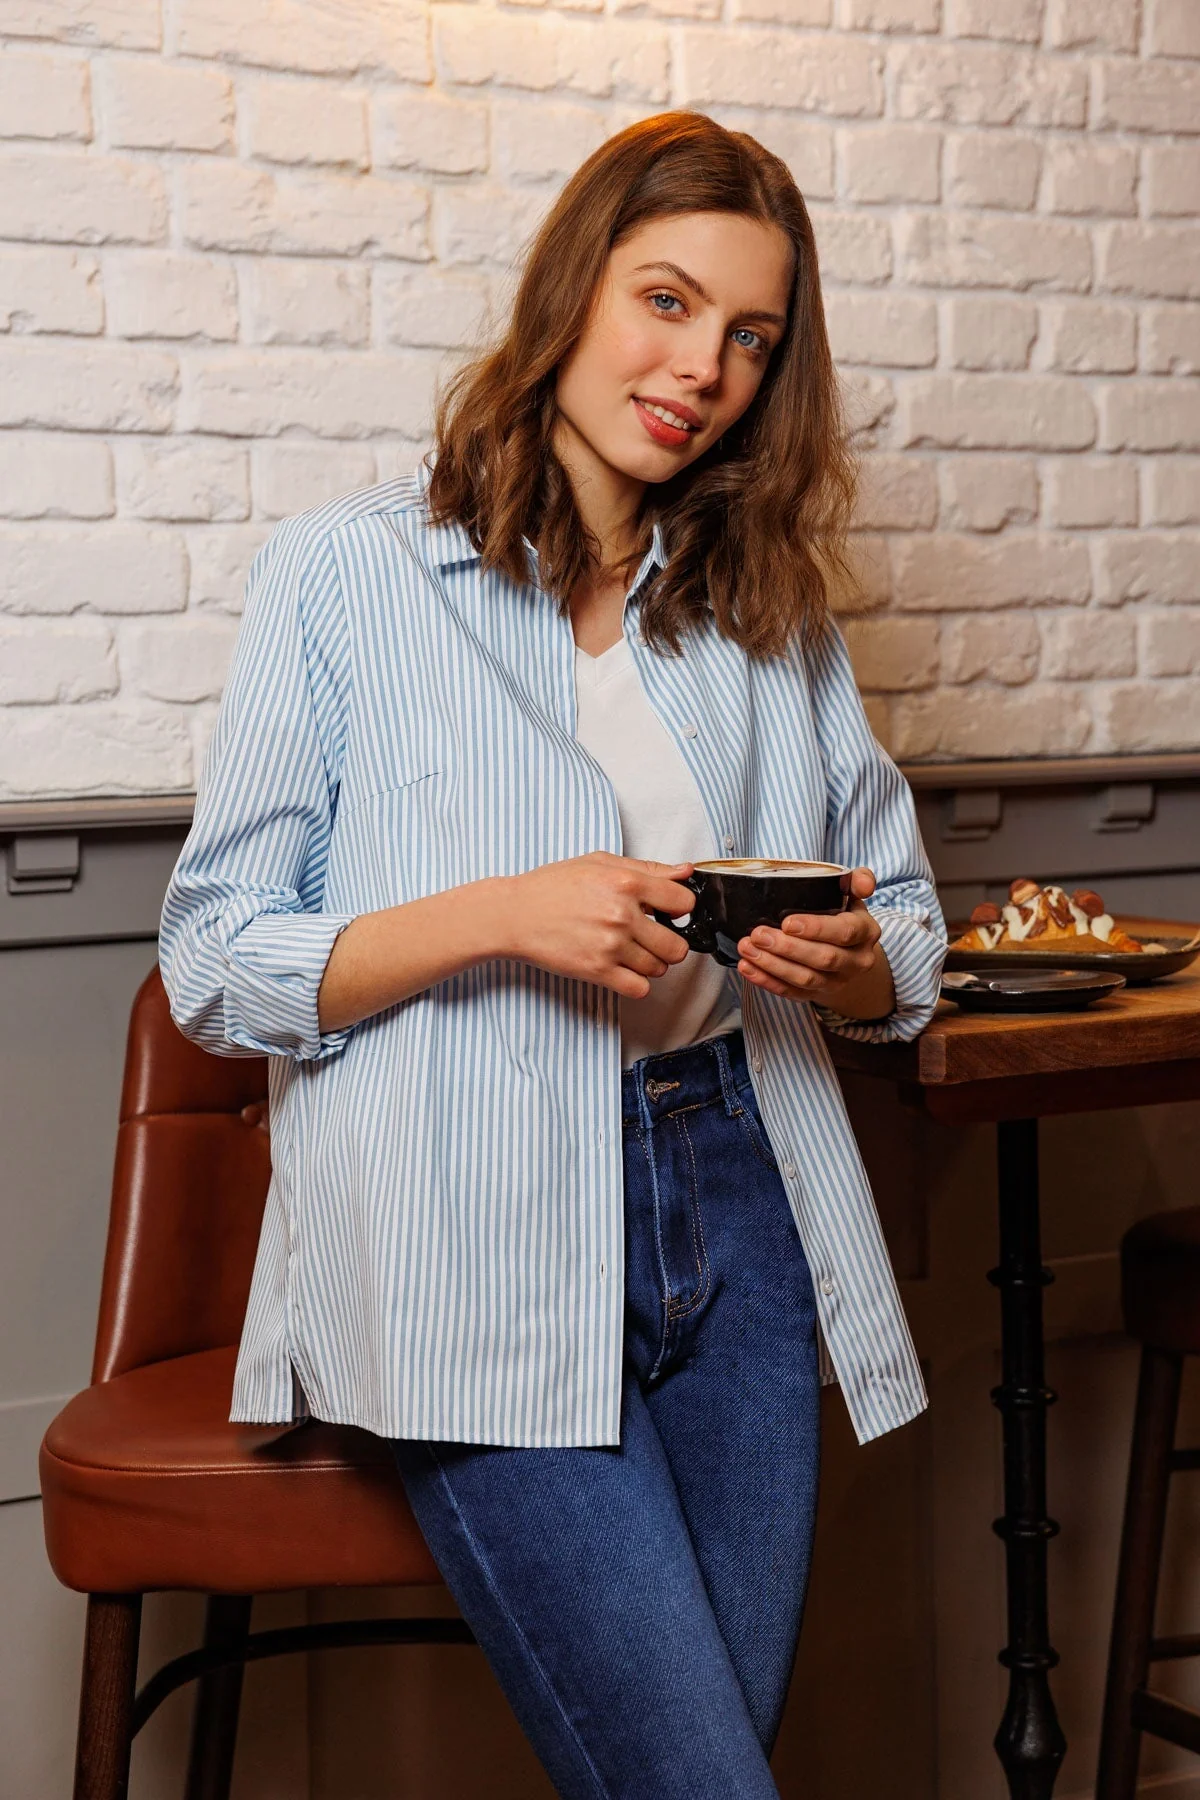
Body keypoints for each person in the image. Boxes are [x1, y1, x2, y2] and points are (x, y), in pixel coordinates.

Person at [159, 110, 946, 1799]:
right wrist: (504, 915)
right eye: (667, 302)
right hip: (470, 1215)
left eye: (750, 337)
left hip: (737, 1193)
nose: (703, 369)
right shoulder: (345, 577)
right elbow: (216, 964)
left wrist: (849, 967)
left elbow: (912, 936)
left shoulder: (768, 610)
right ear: (574, 286)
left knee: (701, 1766)